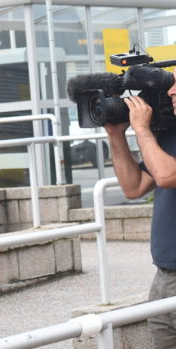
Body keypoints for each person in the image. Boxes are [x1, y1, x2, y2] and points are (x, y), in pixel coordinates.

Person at [105, 68, 176, 348]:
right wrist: (116, 134)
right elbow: (133, 187)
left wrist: (143, 130)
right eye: (171, 84)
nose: (171, 91)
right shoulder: (170, 135)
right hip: (165, 275)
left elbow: (167, 176)